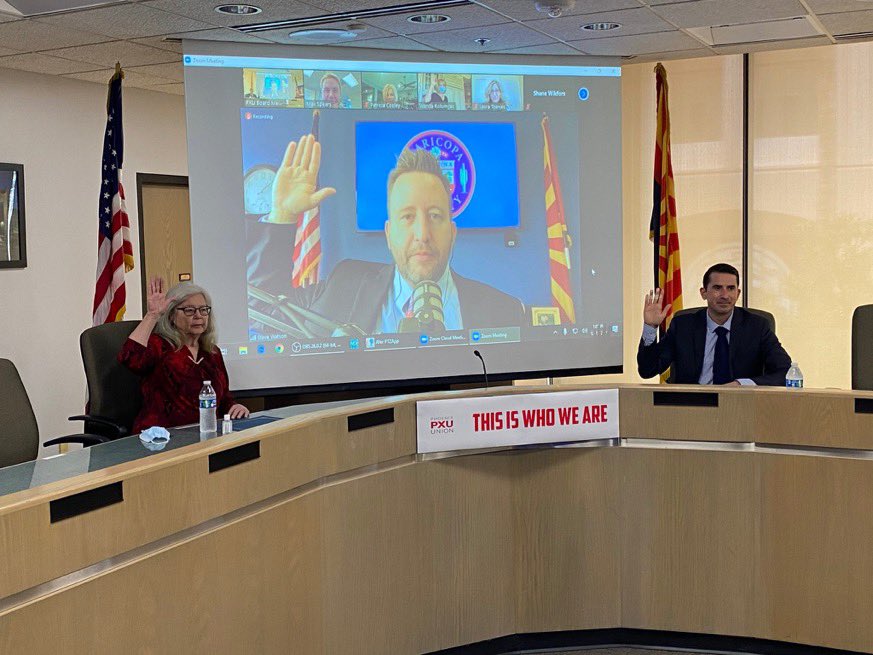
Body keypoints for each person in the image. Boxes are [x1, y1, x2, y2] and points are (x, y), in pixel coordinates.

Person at [246, 133, 525, 335]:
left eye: (435, 216)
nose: (422, 234)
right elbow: (261, 309)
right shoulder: (344, 283)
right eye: (408, 217)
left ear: (452, 232)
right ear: (389, 235)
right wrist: (282, 214)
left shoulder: (505, 312)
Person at [119, 277, 250, 432]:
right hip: (161, 437)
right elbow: (130, 358)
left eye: (203, 310)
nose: (198, 316)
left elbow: (223, 398)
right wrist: (153, 315)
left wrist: (234, 406)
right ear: (172, 316)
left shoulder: (212, 352)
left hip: (206, 434)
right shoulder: (159, 345)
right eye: (189, 310)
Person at [637, 263, 791, 386]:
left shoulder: (757, 326)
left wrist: (741, 384)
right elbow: (647, 370)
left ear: (738, 293)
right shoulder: (683, 326)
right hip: (692, 405)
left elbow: (786, 372)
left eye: (731, 288)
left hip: (741, 405)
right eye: (717, 288)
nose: (725, 295)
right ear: (703, 293)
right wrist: (650, 328)